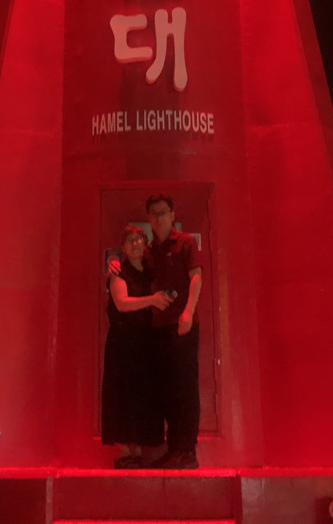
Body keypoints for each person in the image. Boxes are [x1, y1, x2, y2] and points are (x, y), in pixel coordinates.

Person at [108, 195, 203, 469]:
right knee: (167, 390)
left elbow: (196, 277)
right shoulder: (149, 250)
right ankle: (174, 450)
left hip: (182, 326)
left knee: (185, 388)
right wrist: (113, 262)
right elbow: (130, 262)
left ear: (172, 214)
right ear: (149, 219)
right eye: (154, 213)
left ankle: (187, 451)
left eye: (163, 212)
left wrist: (188, 311)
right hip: (158, 330)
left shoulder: (185, 242)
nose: (159, 218)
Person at [102, 224, 172, 467]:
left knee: (142, 393)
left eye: (138, 239)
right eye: (129, 240)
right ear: (122, 247)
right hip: (123, 342)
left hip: (145, 341)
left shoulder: (149, 270)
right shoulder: (118, 273)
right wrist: (152, 300)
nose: (135, 244)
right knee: (122, 394)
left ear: (145, 243)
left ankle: (140, 449)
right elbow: (121, 303)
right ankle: (123, 451)